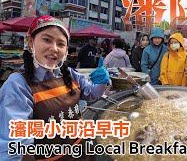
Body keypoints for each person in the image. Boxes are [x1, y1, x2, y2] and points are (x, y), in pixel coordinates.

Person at [0, 15, 110, 160]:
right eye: (47, 40)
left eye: (61, 44)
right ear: (31, 42)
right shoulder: (18, 85)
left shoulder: (71, 74)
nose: (54, 49)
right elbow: (14, 146)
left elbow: (91, 94)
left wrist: (102, 82)